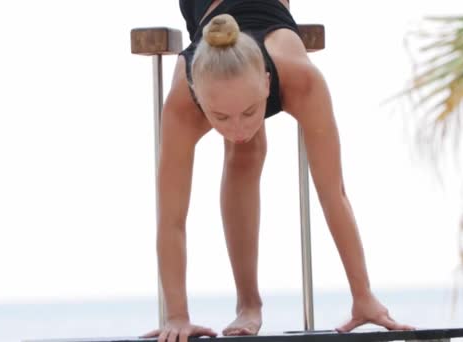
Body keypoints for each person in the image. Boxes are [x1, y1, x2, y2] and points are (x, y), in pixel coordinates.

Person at [142, 1, 415, 341]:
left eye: (250, 110)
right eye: (220, 117)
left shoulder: (302, 79)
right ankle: (248, 303)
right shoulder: (183, 101)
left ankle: (249, 305)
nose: (238, 127)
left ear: (269, 82)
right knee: (246, 150)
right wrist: (177, 316)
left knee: (247, 150)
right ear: (198, 94)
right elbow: (171, 219)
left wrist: (364, 296)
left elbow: (334, 193)